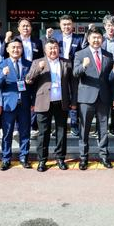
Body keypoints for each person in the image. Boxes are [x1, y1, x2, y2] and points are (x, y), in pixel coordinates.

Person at [25, 38, 73, 172]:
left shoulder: (66, 62)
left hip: (61, 102)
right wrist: (38, 69)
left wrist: (73, 101)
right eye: (50, 48)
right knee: (43, 133)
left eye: (55, 48)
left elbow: (72, 83)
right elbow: (28, 80)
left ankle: (60, 158)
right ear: (45, 50)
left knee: (61, 131)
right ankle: (42, 160)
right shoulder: (37, 62)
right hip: (43, 102)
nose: (53, 50)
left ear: (59, 49)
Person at [73, 27, 114, 170]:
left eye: (99, 38)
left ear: (102, 39)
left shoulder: (108, 55)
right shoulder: (80, 54)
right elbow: (75, 73)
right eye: (93, 37)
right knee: (84, 129)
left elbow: (110, 78)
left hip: (104, 97)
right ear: (88, 39)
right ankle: (84, 158)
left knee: (103, 128)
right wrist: (83, 66)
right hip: (86, 98)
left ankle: (104, 156)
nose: (96, 40)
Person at [0, 39, 33, 170]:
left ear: (22, 49)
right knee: (7, 133)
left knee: (25, 132)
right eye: (13, 47)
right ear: (7, 49)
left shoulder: (28, 64)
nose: (16, 50)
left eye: (18, 47)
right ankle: (6, 159)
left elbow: (33, 85)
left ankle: (24, 157)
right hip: (8, 105)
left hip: (24, 104)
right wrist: (3, 75)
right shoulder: (2, 64)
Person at [46, 14, 85, 137]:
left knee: (73, 96)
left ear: (72, 25)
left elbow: (83, 53)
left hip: (73, 72)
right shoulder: (55, 38)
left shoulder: (79, 38)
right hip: (59, 71)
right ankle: (57, 126)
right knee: (59, 97)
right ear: (60, 25)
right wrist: (47, 37)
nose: (66, 26)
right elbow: (48, 50)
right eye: (64, 24)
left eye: (69, 24)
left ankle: (74, 125)